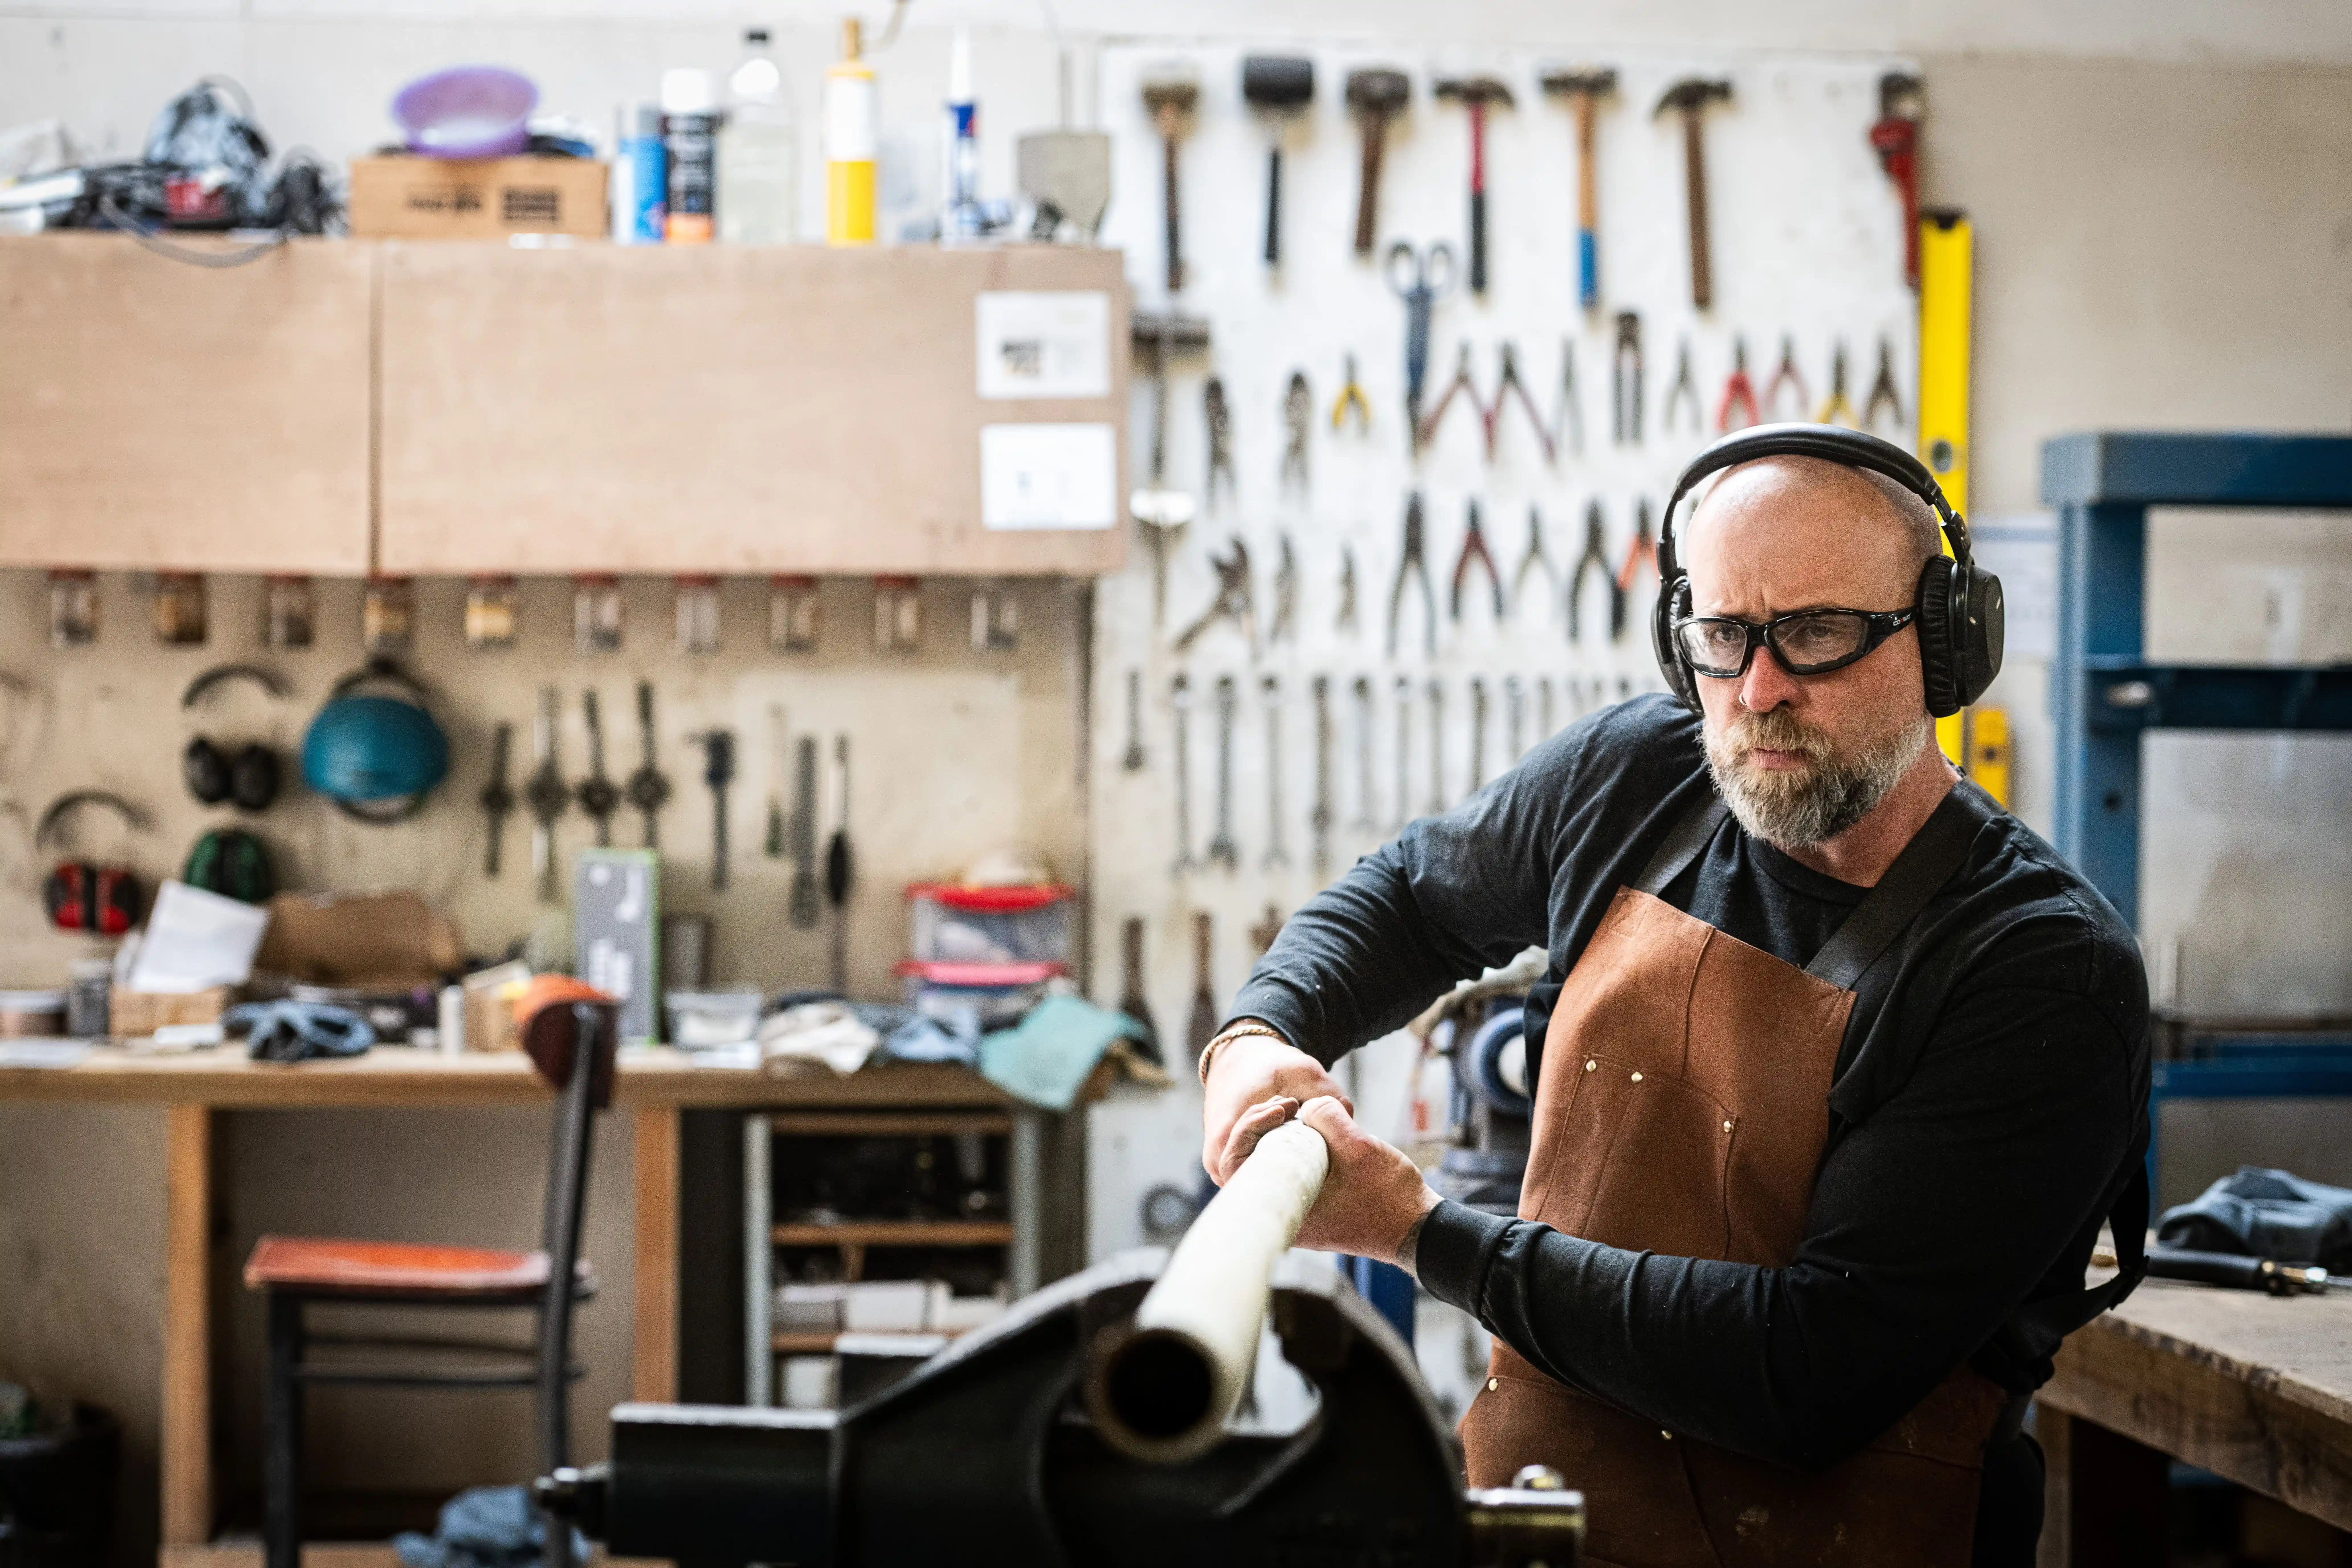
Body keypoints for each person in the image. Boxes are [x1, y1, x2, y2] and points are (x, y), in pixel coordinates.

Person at [1197, 427, 2150, 1568]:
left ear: (1947, 646)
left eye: (1817, 632)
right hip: (1547, 1527)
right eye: (1721, 634)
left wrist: (1418, 1231)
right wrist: (1260, 1032)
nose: (1758, 688)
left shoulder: (2039, 967)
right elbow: (1411, 898)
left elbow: (1812, 1370)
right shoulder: (1637, 776)